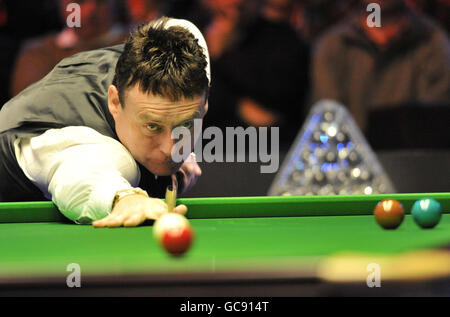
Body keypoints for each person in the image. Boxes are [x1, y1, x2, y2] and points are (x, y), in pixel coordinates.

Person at [0, 17, 210, 228]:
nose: (170, 149)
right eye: (152, 127)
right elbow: (81, 177)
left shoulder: (186, 45)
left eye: (185, 125)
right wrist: (126, 199)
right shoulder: (96, 148)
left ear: (205, 104)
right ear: (115, 102)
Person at [311, 0, 450, 131]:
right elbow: (328, 119)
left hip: (411, 153)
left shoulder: (432, 41)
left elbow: (434, 121)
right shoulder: (334, 45)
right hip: (353, 153)